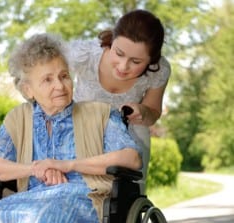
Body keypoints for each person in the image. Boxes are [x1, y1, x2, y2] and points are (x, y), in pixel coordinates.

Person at [0, 33, 142, 223]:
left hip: (86, 199)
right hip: (31, 200)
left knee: (41, 221)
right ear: (28, 90)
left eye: (64, 76)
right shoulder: (18, 119)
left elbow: (131, 158)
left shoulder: (101, 113)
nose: (59, 86)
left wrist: (66, 165)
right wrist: (35, 169)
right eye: (48, 79)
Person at [67, 9, 171, 192]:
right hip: (80, 130)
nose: (123, 66)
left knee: (138, 138)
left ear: (151, 60)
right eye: (119, 53)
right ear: (111, 41)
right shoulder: (83, 55)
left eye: (136, 61)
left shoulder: (160, 70)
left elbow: (153, 112)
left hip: (127, 136)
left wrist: (142, 111)